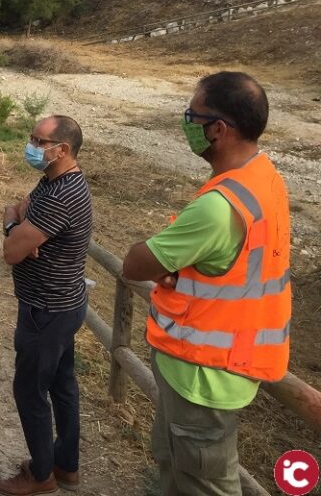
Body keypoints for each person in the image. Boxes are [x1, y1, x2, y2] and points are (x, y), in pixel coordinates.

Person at [122, 72, 291, 496]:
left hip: (202, 376)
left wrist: (165, 260)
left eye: (191, 116)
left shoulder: (219, 208)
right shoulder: (263, 178)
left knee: (206, 484)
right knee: (178, 471)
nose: (186, 125)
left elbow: (135, 263)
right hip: (224, 366)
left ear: (218, 129)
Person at [0, 115, 92, 496]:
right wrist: (19, 223)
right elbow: (22, 208)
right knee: (62, 385)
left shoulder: (61, 195)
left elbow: (10, 250)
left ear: (62, 149)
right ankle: (65, 465)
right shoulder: (53, 182)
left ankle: (41, 476)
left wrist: (12, 228)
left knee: (30, 390)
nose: (31, 146)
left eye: (39, 140)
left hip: (46, 310)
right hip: (64, 304)